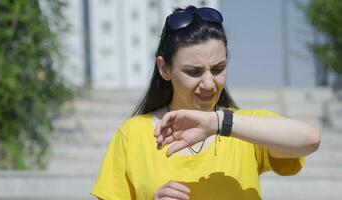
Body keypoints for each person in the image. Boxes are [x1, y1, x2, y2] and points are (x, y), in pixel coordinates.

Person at [91, 5, 321, 200]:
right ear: (164, 68)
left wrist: (218, 123)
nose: (209, 83)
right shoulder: (133, 134)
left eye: (218, 69)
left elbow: (310, 139)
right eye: (194, 71)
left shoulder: (243, 127)